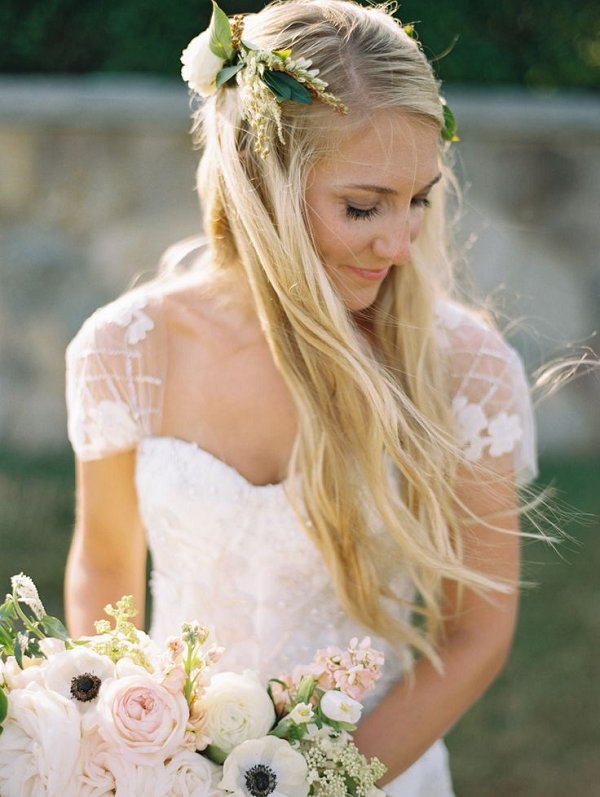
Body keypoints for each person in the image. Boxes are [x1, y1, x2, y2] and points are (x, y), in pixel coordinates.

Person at [64, 1, 538, 794]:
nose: (400, 240)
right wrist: (130, 747)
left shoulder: (460, 366)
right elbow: (107, 561)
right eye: (363, 206)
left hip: (374, 771)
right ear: (260, 181)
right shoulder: (128, 349)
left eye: (418, 197)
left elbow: (475, 633)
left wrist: (318, 783)